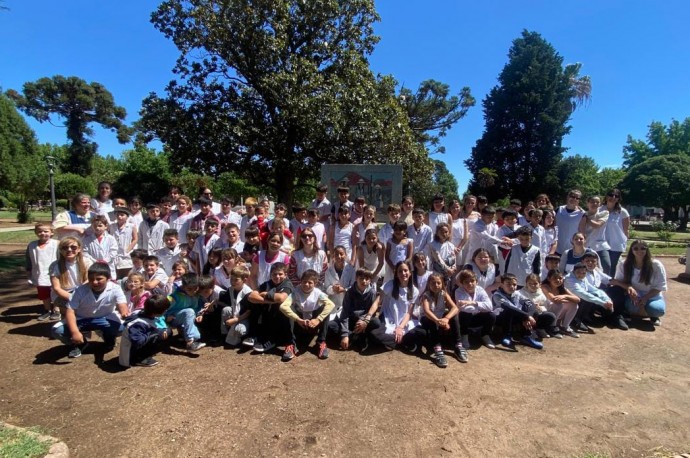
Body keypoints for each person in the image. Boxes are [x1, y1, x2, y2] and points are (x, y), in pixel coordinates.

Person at [51, 262, 128, 358]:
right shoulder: (79, 290)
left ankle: (109, 339)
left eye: (99, 279)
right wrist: (75, 332)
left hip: (105, 318)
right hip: (82, 319)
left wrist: (124, 313)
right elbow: (70, 311)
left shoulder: (115, 288)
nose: (95, 282)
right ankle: (79, 344)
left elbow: (122, 304)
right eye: (91, 279)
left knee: (122, 328)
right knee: (57, 331)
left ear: (108, 278)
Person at [279, 269, 335, 361]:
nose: (306, 285)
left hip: (313, 324)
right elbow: (283, 306)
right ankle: (291, 344)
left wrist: (318, 319)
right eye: (304, 282)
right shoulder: (296, 292)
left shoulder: (318, 293)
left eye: (310, 283)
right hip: (300, 324)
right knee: (290, 309)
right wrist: (298, 319)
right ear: (301, 281)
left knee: (324, 308)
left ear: (315, 283)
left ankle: (321, 342)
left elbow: (331, 304)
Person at [370, 261, 425, 352]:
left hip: (404, 322)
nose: (403, 273)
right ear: (396, 274)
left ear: (410, 273)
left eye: (405, 270)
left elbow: (409, 313)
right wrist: (368, 316)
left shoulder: (414, 291)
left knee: (422, 333)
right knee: (373, 334)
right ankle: (403, 342)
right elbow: (377, 301)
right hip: (388, 319)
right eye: (400, 271)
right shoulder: (389, 284)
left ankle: (393, 342)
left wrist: (400, 327)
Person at [612, 240, 667, 327]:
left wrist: (645, 298)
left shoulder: (656, 265)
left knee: (657, 310)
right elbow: (617, 282)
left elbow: (660, 286)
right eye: (636, 248)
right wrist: (629, 287)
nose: (639, 251)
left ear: (647, 250)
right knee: (632, 308)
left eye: (643, 248)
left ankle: (653, 315)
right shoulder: (624, 264)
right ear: (631, 250)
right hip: (633, 295)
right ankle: (629, 312)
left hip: (652, 295)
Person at [243, 262, 293, 353]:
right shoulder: (267, 284)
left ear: (285, 275)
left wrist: (265, 294)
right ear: (270, 275)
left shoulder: (287, 284)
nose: (277, 276)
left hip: (282, 317)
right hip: (267, 312)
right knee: (254, 304)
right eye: (274, 274)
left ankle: (272, 340)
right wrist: (267, 301)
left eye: (280, 274)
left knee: (278, 306)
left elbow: (281, 298)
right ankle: (254, 336)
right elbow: (251, 296)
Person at [420, 273, 465, 367]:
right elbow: (427, 311)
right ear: (428, 284)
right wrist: (437, 320)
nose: (436, 285)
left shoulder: (443, 293)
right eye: (433, 283)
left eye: (438, 283)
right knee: (431, 320)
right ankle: (438, 349)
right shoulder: (426, 295)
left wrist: (446, 318)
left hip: (441, 318)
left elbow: (455, 308)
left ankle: (458, 345)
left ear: (442, 284)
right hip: (428, 319)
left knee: (455, 316)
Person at [491, 273, 543, 350]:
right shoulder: (497, 295)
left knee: (532, 311)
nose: (512, 287)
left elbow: (530, 304)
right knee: (508, 311)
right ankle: (507, 335)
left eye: (514, 284)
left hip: (515, 318)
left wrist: (528, 317)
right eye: (508, 284)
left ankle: (525, 336)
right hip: (500, 320)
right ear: (501, 285)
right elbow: (508, 307)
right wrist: (526, 316)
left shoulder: (517, 293)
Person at [119, 294, 171, 368]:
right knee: (157, 334)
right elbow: (138, 341)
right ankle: (139, 359)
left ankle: (144, 354)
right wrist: (155, 332)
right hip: (129, 354)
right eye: (165, 310)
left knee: (165, 332)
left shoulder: (144, 313)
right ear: (155, 312)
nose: (166, 311)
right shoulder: (139, 323)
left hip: (137, 344)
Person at [336, 268, 381, 351]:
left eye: (367, 279)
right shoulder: (350, 292)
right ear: (356, 278)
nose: (364, 281)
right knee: (332, 326)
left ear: (370, 280)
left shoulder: (372, 293)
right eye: (361, 278)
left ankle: (359, 336)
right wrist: (345, 335)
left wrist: (363, 321)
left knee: (376, 322)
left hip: (364, 321)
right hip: (351, 320)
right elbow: (345, 313)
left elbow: (372, 312)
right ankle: (352, 335)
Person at [565, 261, 614, 333]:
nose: (581, 275)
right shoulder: (569, 279)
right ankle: (575, 320)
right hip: (568, 302)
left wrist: (607, 300)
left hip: (580, 298)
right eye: (578, 272)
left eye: (583, 273)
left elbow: (594, 290)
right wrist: (603, 303)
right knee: (584, 298)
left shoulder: (583, 277)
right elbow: (583, 294)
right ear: (573, 271)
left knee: (595, 295)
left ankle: (585, 317)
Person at [164, 273, 207, 352]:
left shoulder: (196, 295)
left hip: (187, 319)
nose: (193, 291)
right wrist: (166, 318)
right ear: (183, 287)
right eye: (189, 289)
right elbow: (161, 309)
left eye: (195, 288)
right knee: (189, 311)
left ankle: (182, 333)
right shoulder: (174, 297)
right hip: (173, 318)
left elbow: (196, 308)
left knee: (197, 336)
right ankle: (190, 342)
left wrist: (199, 314)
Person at [49, 236, 92, 316]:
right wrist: (73, 297)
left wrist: (79, 296)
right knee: (71, 313)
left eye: (73, 247)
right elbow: (57, 288)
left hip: (82, 291)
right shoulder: (55, 265)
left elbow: (89, 280)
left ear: (79, 249)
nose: (69, 250)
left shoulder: (87, 262)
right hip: (64, 294)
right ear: (61, 251)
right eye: (65, 248)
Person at [454, 269, 497, 349]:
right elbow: (464, 309)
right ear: (462, 284)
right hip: (465, 320)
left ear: (476, 282)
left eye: (472, 281)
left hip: (477, 318)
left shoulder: (480, 290)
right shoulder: (458, 291)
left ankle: (485, 335)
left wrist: (472, 303)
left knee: (491, 315)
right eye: (466, 282)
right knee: (464, 314)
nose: (470, 284)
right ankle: (464, 336)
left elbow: (490, 306)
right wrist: (480, 307)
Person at [26, 223, 60, 321]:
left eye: (46, 231)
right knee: (43, 293)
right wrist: (28, 270)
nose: (43, 233)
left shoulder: (56, 244)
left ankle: (57, 310)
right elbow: (28, 259)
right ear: (36, 232)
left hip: (54, 273)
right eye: (40, 231)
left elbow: (61, 258)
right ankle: (47, 310)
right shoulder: (32, 245)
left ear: (51, 232)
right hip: (39, 273)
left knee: (56, 291)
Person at [517, 273, 559, 339]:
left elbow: (546, 306)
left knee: (550, 315)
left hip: (538, 315)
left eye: (535, 283)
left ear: (540, 284)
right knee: (534, 313)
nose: (532, 285)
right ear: (526, 284)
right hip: (526, 316)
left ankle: (540, 329)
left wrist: (541, 307)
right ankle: (529, 332)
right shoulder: (520, 293)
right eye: (530, 283)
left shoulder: (542, 293)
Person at [219, 266, 253, 347]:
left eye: (236, 280)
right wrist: (212, 303)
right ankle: (224, 335)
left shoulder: (248, 293)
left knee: (239, 330)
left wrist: (236, 319)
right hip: (235, 313)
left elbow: (249, 311)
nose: (233, 282)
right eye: (231, 279)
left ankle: (243, 338)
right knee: (226, 310)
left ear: (244, 280)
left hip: (244, 318)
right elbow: (222, 300)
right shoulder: (231, 289)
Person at [541, 269, 580, 338]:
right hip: (545, 314)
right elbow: (554, 299)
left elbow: (577, 299)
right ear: (549, 279)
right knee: (558, 304)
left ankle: (565, 327)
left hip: (556, 312)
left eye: (560, 278)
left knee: (574, 304)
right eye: (555, 278)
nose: (558, 280)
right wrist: (568, 299)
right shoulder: (544, 286)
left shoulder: (562, 288)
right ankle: (552, 327)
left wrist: (565, 296)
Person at [324, 245, 356, 325]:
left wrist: (344, 290)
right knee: (331, 325)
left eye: (341, 254)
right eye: (336, 254)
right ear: (333, 256)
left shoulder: (351, 269)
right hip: (334, 304)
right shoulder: (329, 271)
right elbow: (326, 288)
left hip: (348, 303)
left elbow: (354, 286)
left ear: (345, 255)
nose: (339, 256)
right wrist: (333, 289)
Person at [578, 195, 611, 274]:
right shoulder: (583, 214)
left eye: (597, 202)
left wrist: (586, 218)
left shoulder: (604, 213)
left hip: (600, 246)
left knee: (606, 265)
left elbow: (597, 225)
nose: (595, 204)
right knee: (586, 268)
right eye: (592, 202)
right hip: (587, 246)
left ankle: (605, 285)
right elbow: (581, 229)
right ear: (588, 203)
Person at [603, 189, 630, 276]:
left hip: (616, 244)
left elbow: (626, 230)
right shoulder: (600, 209)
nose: (613, 197)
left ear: (618, 199)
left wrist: (625, 242)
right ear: (607, 196)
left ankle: (610, 285)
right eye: (611, 195)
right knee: (603, 265)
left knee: (612, 266)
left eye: (616, 196)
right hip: (601, 243)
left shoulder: (623, 212)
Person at [82, 215, 118, 280]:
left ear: (106, 226)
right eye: (95, 226)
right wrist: (95, 261)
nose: (97, 228)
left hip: (108, 265)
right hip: (93, 265)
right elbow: (85, 253)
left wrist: (104, 261)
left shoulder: (111, 239)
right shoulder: (87, 239)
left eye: (100, 226)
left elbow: (114, 252)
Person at [109, 206, 138, 279]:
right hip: (114, 253)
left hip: (126, 254)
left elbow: (135, 239)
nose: (119, 217)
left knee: (127, 274)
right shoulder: (111, 226)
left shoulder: (131, 226)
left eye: (122, 215)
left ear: (127, 217)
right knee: (115, 274)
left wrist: (128, 249)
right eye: (118, 215)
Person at [555, 189, 585, 255]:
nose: (574, 199)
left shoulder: (582, 214)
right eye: (572, 196)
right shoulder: (558, 209)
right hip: (556, 248)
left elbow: (582, 232)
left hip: (572, 249)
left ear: (579, 201)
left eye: (577, 198)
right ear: (568, 197)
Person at [448, 200, 469, 266]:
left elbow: (466, 237)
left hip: (460, 246)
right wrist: (452, 247)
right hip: (449, 245)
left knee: (459, 266)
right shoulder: (446, 220)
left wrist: (459, 248)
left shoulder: (464, 220)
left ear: (460, 208)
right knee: (449, 265)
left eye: (457, 207)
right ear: (449, 209)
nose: (455, 209)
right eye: (453, 207)